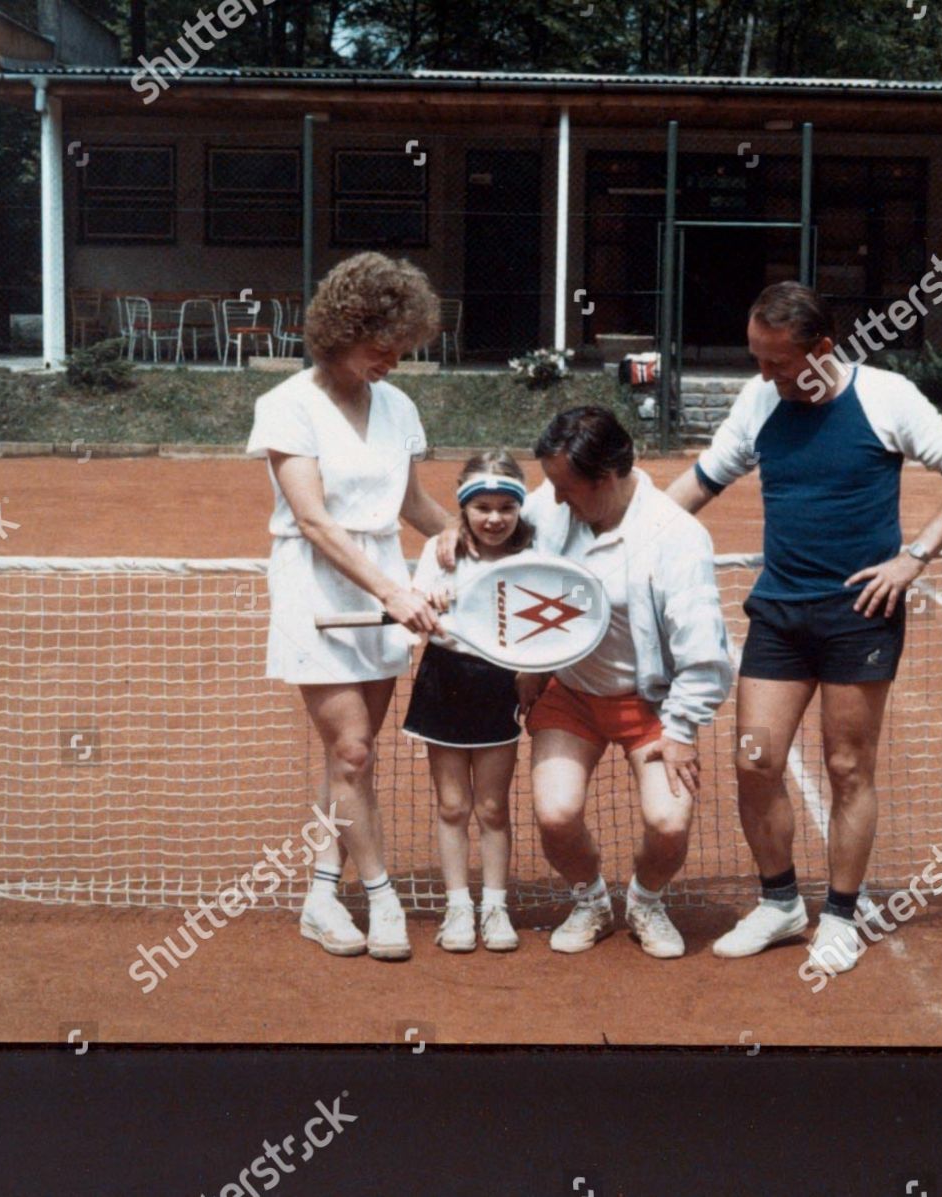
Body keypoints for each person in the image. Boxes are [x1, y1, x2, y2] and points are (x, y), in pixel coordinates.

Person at [664, 281, 942, 977]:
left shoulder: (886, 397)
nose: (764, 375)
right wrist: (627, 542)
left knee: (848, 767)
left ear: (820, 349)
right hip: (779, 611)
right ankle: (781, 903)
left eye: (777, 362)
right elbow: (694, 488)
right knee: (755, 758)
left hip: (858, 616)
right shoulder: (759, 402)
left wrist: (914, 557)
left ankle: (841, 914)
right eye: (757, 358)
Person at [246, 251, 450, 963]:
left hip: (386, 580)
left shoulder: (397, 405)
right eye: (380, 348)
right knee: (353, 747)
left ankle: (320, 894)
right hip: (320, 584)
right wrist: (393, 591)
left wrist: (462, 538)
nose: (392, 362)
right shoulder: (287, 406)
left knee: (352, 762)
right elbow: (316, 522)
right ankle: (383, 896)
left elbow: (412, 503)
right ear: (340, 332)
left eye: (402, 349)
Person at [477, 407, 733, 959]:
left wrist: (682, 728)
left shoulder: (676, 537)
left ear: (607, 478)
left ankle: (645, 899)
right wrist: (533, 666)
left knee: (668, 822)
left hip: (652, 703)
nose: (556, 499)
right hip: (571, 694)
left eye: (567, 488)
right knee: (556, 813)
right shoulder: (553, 506)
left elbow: (705, 655)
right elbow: (513, 565)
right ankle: (591, 899)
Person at [403, 452, 531, 953]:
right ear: (463, 507)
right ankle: (459, 906)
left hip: (501, 683)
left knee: (493, 807)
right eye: (481, 507)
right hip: (446, 678)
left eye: (506, 507)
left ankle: (495, 905)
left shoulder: (531, 556)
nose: (494, 518)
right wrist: (428, 607)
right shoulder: (440, 551)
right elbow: (415, 611)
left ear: (520, 509)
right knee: (453, 805)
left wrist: (528, 673)